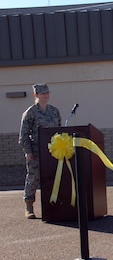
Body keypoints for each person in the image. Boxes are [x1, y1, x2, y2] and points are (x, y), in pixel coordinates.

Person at [18, 83, 62, 219]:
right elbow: (23, 134)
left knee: (53, 177)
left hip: (53, 151)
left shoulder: (54, 111)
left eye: (47, 93)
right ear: (36, 95)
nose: (46, 96)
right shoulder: (30, 112)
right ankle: (29, 206)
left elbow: (59, 130)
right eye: (43, 94)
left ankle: (53, 206)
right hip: (36, 151)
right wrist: (29, 152)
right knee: (33, 178)